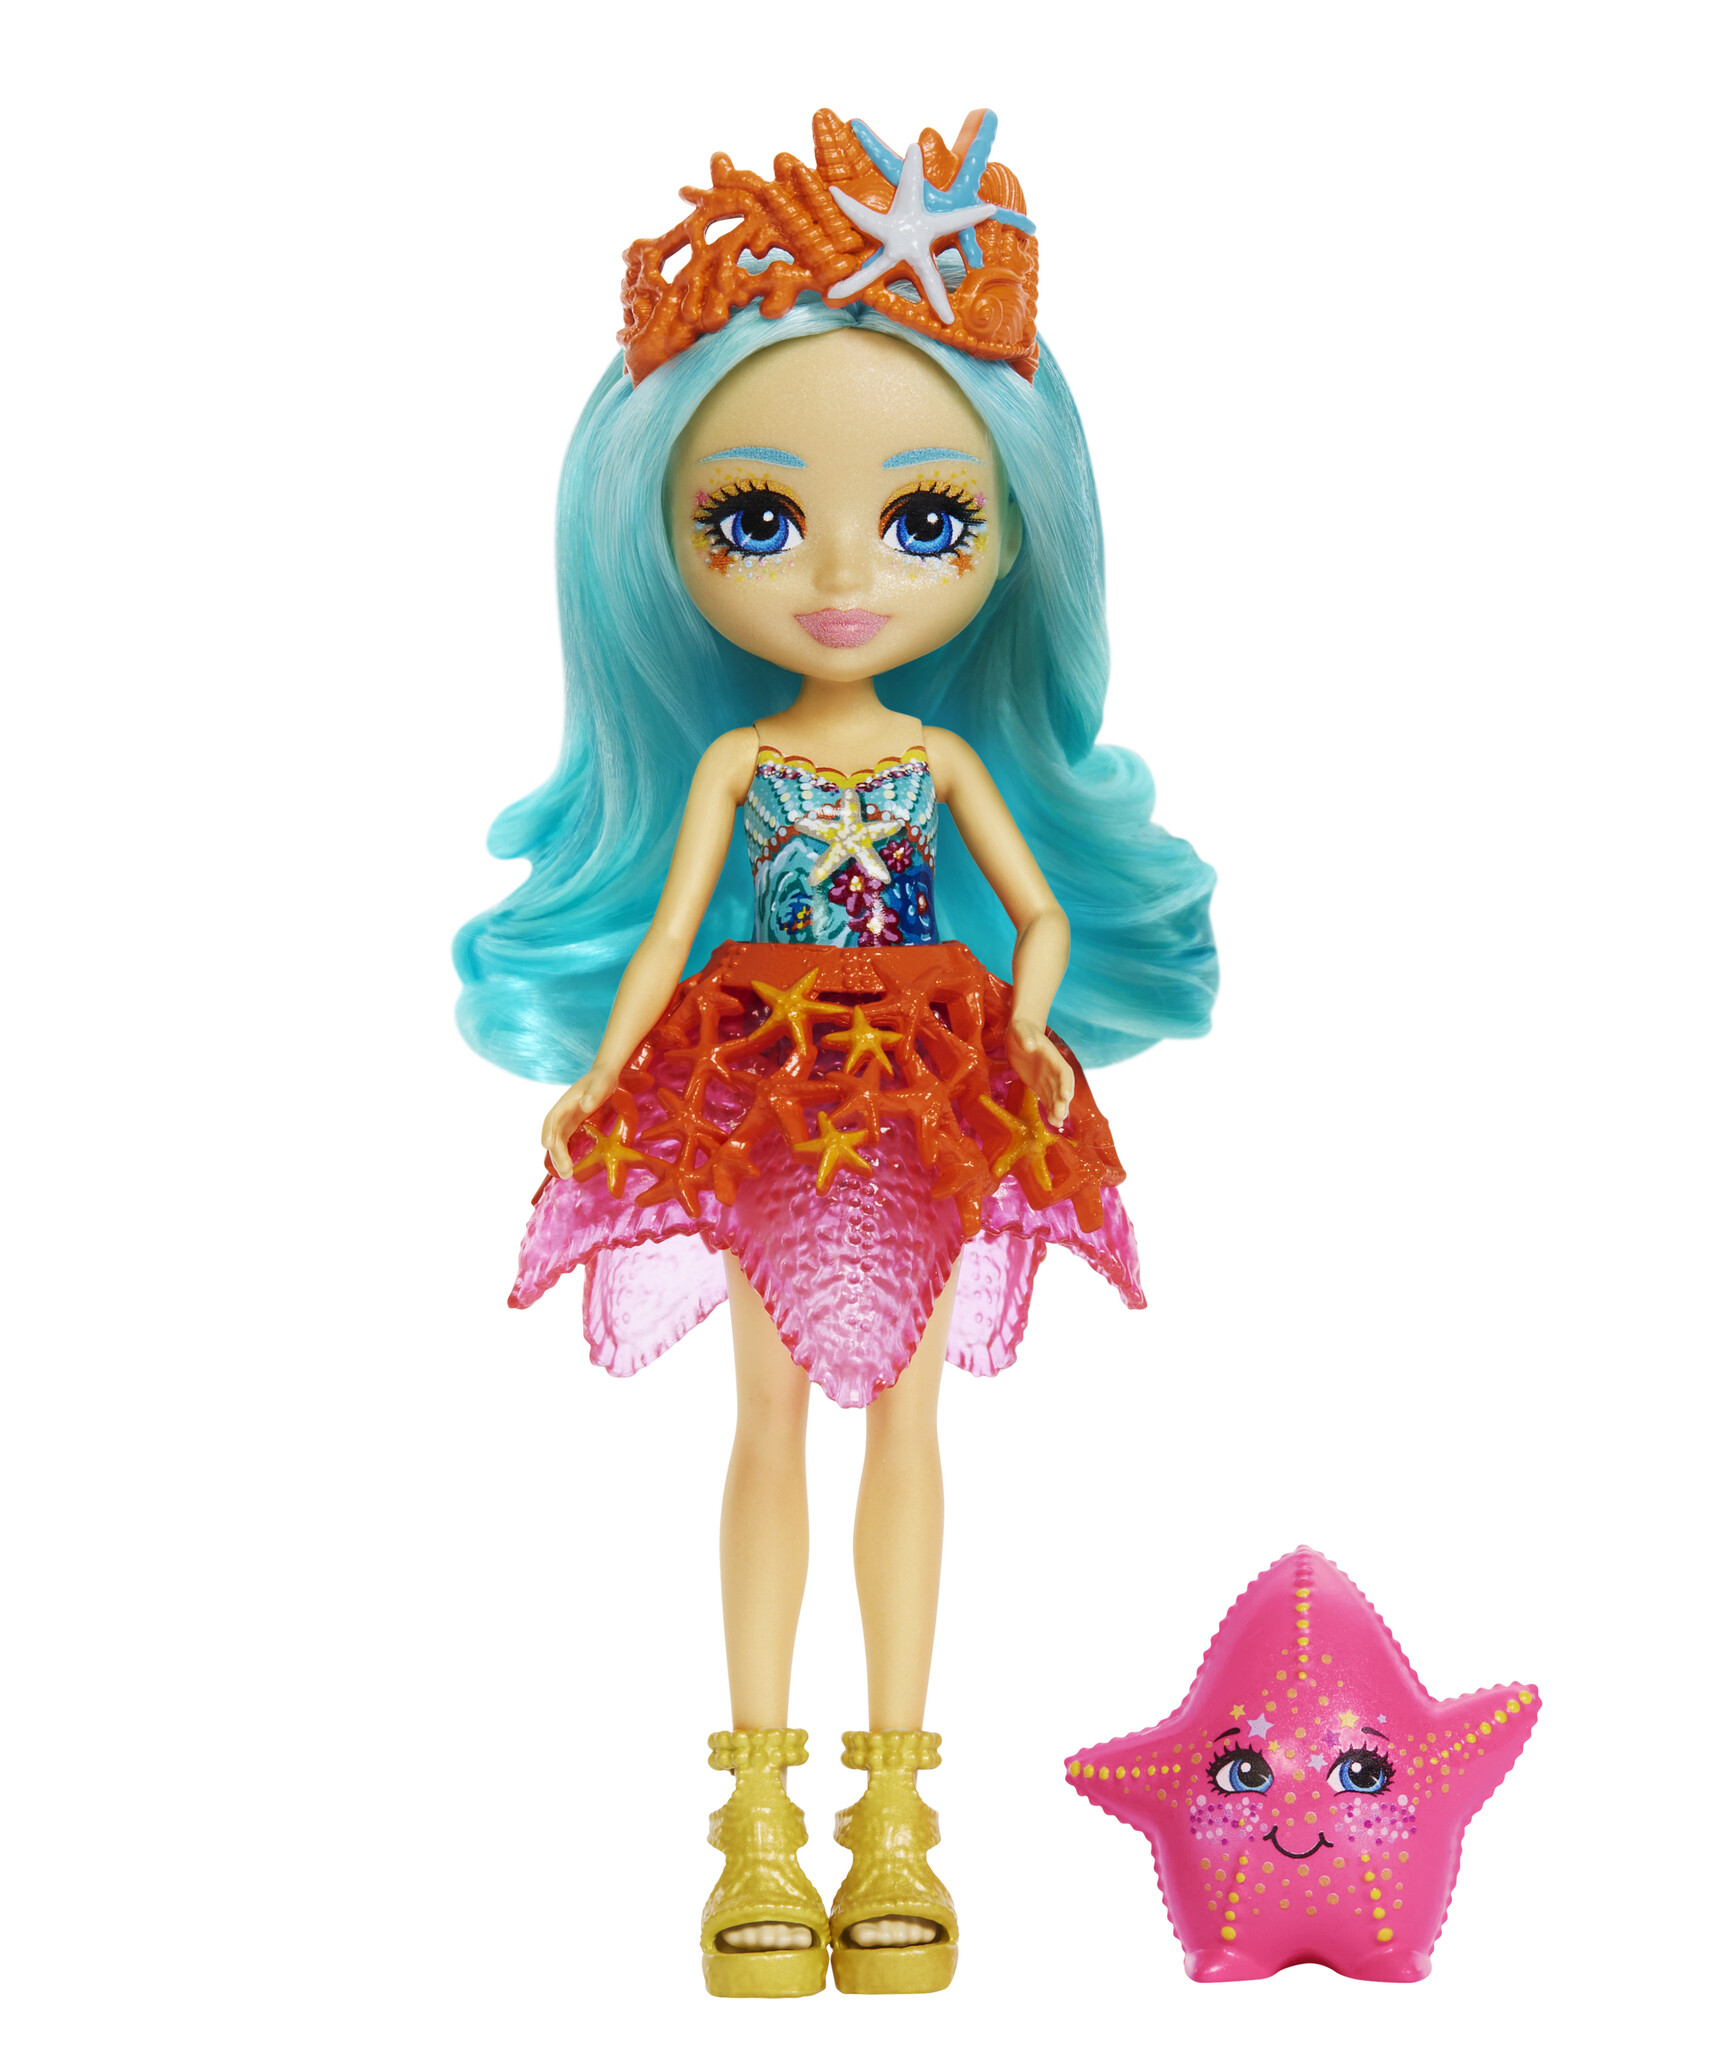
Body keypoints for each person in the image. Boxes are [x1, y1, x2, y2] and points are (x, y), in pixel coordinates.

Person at [454, 108, 1215, 1997]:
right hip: (759, 1069)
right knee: (769, 1419)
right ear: (660, 544)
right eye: (756, 519)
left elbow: (1037, 909)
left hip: (932, 1071)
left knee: (909, 1423)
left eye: (929, 519)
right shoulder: (737, 757)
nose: (844, 572)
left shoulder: (940, 756)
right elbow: (663, 935)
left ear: (1015, 541)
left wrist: (1030, 1028)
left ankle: (895, 1814)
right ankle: (757, 1822)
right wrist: (599, 1071)